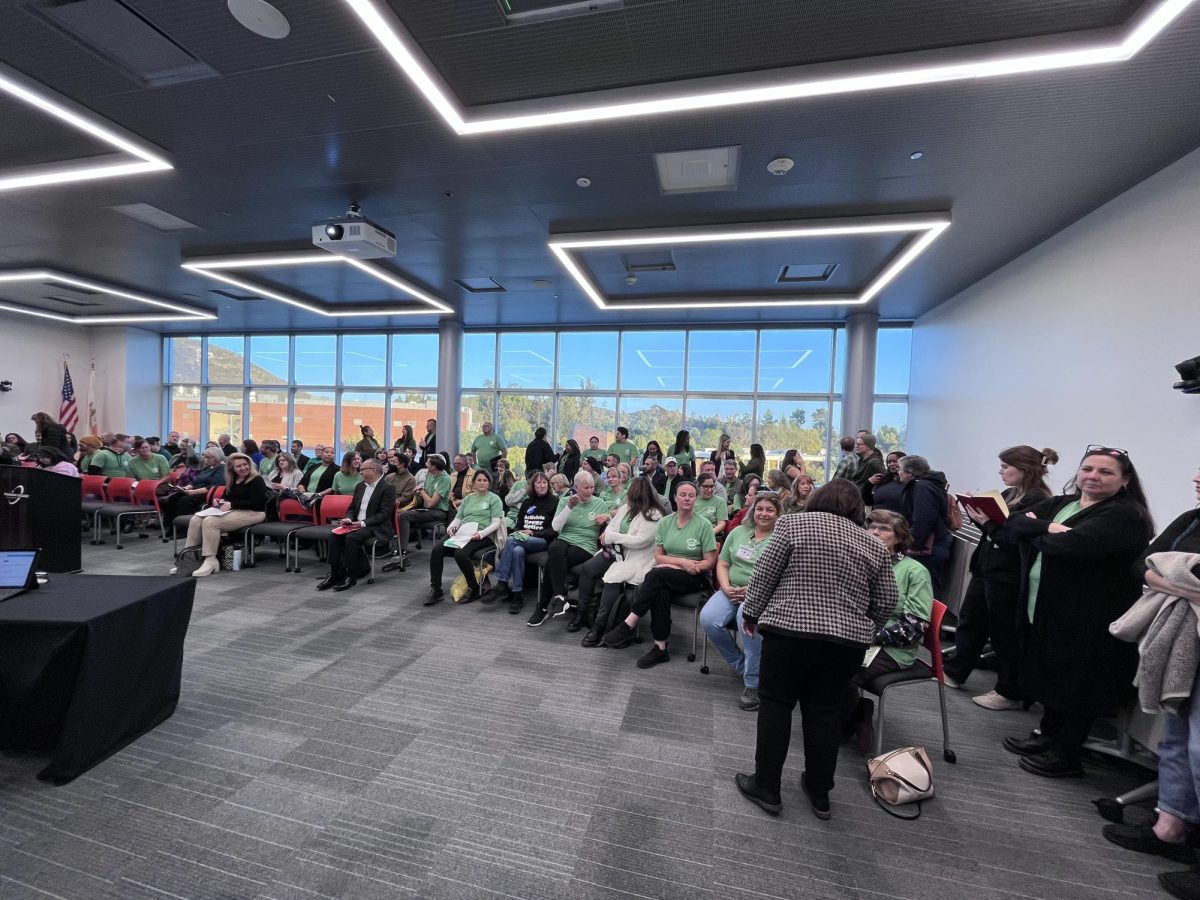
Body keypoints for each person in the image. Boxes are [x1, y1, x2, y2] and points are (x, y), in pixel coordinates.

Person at [733, 479, 897, 820]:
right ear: (857, 509)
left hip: (789, 633)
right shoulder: (874, 545)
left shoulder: (792, 524)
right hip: (845, 644)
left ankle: (767, 786)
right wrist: (860, 623)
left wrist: (751, 613)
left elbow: (765, 574)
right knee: (824, 712)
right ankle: (820, 792)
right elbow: (886, 602)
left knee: (776, 706)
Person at [1001, 446, 1154, 778]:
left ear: (1125, 480)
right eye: (1088, 469)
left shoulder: (1125, 514)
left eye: (1106, 472)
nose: (1093, 476)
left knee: (1079, 685)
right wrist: (1051, 529)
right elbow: (1012, 525)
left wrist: (1037, 530)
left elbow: (1074, 548)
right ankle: (1047, 736)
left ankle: (1067, 754)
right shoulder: (1064, 503)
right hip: (1050, 608)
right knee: (1052, 675)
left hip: (1094, 616)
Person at [1102, 467, 1200, 897]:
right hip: (1184, 647)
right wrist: (1187, 584)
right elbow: (1145, 565)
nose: (1196, 476)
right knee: (1177, 741)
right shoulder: (1193, 518)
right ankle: (1170, 829)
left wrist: (1176, 578)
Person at [944, 446, 1057, 710]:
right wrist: (975, 513)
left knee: (1003, 632)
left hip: (1008, 573)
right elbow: (995, 529)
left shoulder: (1039, 499)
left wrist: (986, 523)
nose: (1000, 471)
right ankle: (955, 671)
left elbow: (1010, 537)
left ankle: (1008, 690)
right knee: (972, 621)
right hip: (987, 567)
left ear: (1025, 469)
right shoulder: (1009, 494)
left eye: (1006, 466)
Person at [843, 510, 934, 751]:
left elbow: (914, 629)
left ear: (899, 536)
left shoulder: (915, 571)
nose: (874, 532)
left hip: (893, 648)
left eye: (883, 529)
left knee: (842, 672)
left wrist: (868, 635)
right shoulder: (859, 563)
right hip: (856, 636)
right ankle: (849, 714)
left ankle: (852, 720)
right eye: (871, 527)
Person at [601, 480, 718, 668]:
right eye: (683, 495)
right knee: (659, 590)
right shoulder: (665, 522)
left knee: (654, 576)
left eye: (691, 495)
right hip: (670, 572)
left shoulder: (703, 525)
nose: (687, 498)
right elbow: (658, 556)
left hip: (695, 576)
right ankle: (660, 647)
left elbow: (710, 562)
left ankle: (629, 622)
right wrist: (680, 562)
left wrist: (687, 566)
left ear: (695, 498)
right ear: (675, 497)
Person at [699, 493, 781, 711]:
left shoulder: (781, 539)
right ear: (753, 511)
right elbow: (723, 563)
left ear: (778, 514)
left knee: (745, 619)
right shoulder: (738, 532)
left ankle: (753, 684)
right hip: (730, 589)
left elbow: (781, 575)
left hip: (761, 595)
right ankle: (744, 665)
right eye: (760, 508)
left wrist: (753, 590)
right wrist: (725, 587)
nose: (763, 513)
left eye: (769, 510)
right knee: (708, 619)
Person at [581, 477, 664, 647]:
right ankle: (599, 625)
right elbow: (612, 526)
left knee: (619, 578)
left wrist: (611, 537)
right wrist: (610, 535)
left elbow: (640, 540)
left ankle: (618, 628)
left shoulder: (654, 514)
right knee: (609, 578)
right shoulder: (626, 508)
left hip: (641, 558)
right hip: (619, 554)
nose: (631, 497)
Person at [528, 469, 609, 627]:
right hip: (565, 539)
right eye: (585, 488)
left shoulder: (600, 503)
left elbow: (611, 523)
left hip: (585, 545)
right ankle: (559, 596)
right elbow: (556, 527)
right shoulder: (566, 501)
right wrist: (569, 507)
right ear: (576, 487)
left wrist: (607, 517)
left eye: (592, 487)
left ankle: (543, 607)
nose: (590, 491)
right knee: (555, 548)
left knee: (553, 562)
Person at [483, 471, 559, 614]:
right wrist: (520, 532)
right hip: (522, 540)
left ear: (548, 485)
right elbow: (518, 525)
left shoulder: (554, 502)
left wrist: (533, 533)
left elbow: (554, 529)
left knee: (511, 541)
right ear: (532, 485)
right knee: (517, 551)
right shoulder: (527, 502)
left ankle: (501, 583)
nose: (542, 485)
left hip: (542, 541)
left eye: (544, 482)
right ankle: (518, 594)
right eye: (538, 482)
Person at [426, 468, 504, 606]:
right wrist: (451, 528)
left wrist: (480, 534)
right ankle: (436, 588)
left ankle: (474, 588)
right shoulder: (468, 499)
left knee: (460, 554)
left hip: (482, 535)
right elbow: (459, 518)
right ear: (474, 482)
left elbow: (496, 522)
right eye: (479, 480)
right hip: (463, 533)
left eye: (485, 480)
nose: (482, 483)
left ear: (489, 483)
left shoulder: (494, 498)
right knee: (437, 550)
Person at [183, 453, 269, 578]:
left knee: (210, 522)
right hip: (236, 511)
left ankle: (210, 560)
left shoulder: (256, 479)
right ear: (232, 469)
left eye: (245, 464)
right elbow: (226, 496)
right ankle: (189, 559)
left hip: (255, 512)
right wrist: (220, 501)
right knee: (196, 519)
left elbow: (258, 502)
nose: (243, 468)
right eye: (238, 466)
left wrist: (232, 504)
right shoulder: (233, 479)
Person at [316, 459, 396, 592]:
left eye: (363, 469)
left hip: (374, 526)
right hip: (355, 523)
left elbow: (384, 514)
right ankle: (335, 574)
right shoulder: (360, 486)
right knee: (334, 535)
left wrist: (362, 523)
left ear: (374, 470)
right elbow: (352, 507)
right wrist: (348, 518)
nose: (360, 471)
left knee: (351, 538)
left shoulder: (387, 488)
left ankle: (351, 575)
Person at [896, 455, 953, 593]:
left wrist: (911, 544)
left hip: (928, 546)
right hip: (932, 542)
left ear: (910, 472)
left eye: (900, 469)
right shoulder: (927, 484)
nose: (898, 472)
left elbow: (923, 519)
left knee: (926, 588)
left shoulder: (922, 487)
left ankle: (928, 615)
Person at [394, 454, 453, 570]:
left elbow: (431, 502)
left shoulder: (445, 479)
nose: (426, 464)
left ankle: (402, 551)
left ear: (434, 467)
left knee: (404, 516)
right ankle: (399, 549)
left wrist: (421, 490)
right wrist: (419, 491)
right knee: (400, 514)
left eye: (428, 463)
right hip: (427, 509)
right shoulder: (429, 475)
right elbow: (427, 494)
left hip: (439, 511)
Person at [850, 433, 887, 505]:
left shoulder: (874, 461)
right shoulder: (861, 460)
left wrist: (870, 483)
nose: (856, 446)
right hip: (858, 497)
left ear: (869, 446)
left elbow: (885, 477)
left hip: (865, 500)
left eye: (859, 444)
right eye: (856, 444)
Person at [694, 473, 728, 538]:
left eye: (712, 486)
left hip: (712, 535)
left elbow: (722, 524)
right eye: (706, 487)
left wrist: (709, 534)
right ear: (698, 486)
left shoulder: (720, 501)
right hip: (693, 534)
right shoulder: (693, 500)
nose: (709, 490)